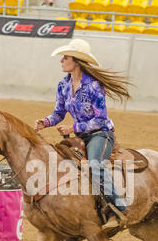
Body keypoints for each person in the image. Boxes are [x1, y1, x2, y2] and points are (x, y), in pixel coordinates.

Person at [35, 38, 132, 230]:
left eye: (66, 57)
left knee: (95, 166)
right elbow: (59, 113)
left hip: (100, 134)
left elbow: (101, 119)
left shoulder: (94, 86)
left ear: (76, 61)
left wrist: (73, 128)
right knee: (62, 167)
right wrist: (45, 122)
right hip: (80, 137)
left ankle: (120, 209)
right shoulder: (63, 85)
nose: (62, 60)